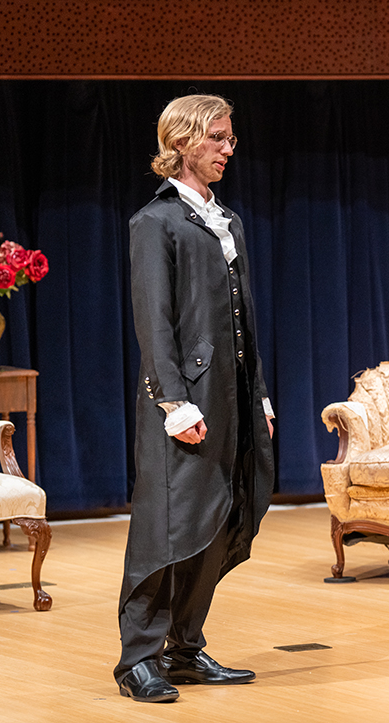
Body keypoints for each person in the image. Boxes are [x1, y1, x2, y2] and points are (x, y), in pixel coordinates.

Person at [115, 94, 276, 702]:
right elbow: (155, 324)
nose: (228, 148)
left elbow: (244, 323)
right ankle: (138, 659)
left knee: (223, 517)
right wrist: (173, 403)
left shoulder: (227, 221)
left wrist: (256, 392)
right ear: (182, 142)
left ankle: (184, 648)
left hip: (233, 396)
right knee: (169, 526)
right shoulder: (154, 223)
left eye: (230, 138)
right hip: (186, 402)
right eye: (217, 138)